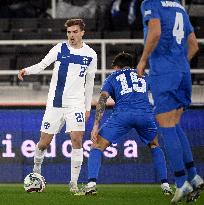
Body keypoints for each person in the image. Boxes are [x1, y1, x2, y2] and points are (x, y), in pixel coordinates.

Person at [76, 52, 173, 196]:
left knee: (96, 146)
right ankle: (166, 186)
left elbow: (102, 100)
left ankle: (91, 185)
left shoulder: (113, 77)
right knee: (154, 145)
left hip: (122, 115)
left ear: (116, 66)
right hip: (145, 114)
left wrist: (96, 125)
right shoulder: (143, 74)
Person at [18, 18, 97, 193]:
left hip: (76, 104)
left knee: (77, 139)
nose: (71, 36)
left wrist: (87, 107)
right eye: (69, 32)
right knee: (43, 143)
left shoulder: (90, 54)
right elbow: (43, 64)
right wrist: (27, 70)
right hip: (55, 104)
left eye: (75, 32)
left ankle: (74, 184)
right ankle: (36, 172)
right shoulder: (59, 48)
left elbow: (90, 82)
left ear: (82, 32)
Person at [137, 0, 204, 203]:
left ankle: (181, 181)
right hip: (183, 71)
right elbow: (193, 45)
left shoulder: (151, 3)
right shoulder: (178, 6)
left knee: (165, 125)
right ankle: (193, 175)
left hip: (164, 72)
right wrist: (178, 64)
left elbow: (155, 32)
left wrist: (143, 60)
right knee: (174, 124)